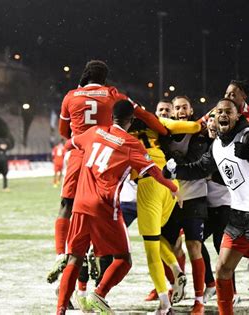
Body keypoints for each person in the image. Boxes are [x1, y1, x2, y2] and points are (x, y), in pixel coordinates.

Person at [164, 98, 249, 315]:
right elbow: (201, 168)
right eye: (218, 111)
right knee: (222, 271)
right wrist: (174, 171)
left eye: (228, 111)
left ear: (237, 115)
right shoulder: (217, 145)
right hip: (238, 216)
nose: (222, 115)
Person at [48, 60, 167, 284]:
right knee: (102, 213)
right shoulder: (114, 95)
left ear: (85, 75)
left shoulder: (70, 96)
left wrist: (81, 138)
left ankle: (61, 255)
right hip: (105, 158)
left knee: (67, 206)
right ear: (105, 78)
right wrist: (164, 131)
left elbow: (64, 132)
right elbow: (143, 115)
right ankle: (97, 277)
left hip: (79, 156)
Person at [56, 100, 180, 315]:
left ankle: (60, 310)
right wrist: (173, 188)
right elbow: (155, 172)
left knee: (75, 258)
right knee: (123, 259)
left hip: (80, 205)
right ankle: (99, 294)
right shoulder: (131, 144)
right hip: (105, 207)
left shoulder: (94, 131)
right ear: (131, 121)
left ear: (111, 117)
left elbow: (70, 144)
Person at [128, 99, 203, 314]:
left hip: (149, 184)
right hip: (171, 183)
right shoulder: (156, 123)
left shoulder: (120, 132)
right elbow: (193, 126)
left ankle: (164, 304)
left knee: (150, 247)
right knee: (157, 235)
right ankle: (176, 269)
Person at [161, 95, 209, 314]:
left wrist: (171, 164)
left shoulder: (199, 134)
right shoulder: (164, 134)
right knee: (166, 247)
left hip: (194, 197)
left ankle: (199, 301)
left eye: (184, 108)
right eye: (176, 108)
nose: (180, 111)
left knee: (193, 246)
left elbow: (195, 165)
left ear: (190, 111)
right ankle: (173, 287)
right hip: (169, 200)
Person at [200, 113, 234, 304]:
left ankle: (233, 292)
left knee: (224, 252)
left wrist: (209, 176)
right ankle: (210, 283)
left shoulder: (226, 144)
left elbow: (229, 173)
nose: (212, 123)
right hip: (206, 206)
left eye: (215, 120)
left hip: (224, 205)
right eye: (209, 119)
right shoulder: (202, 143)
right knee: (195, 242)